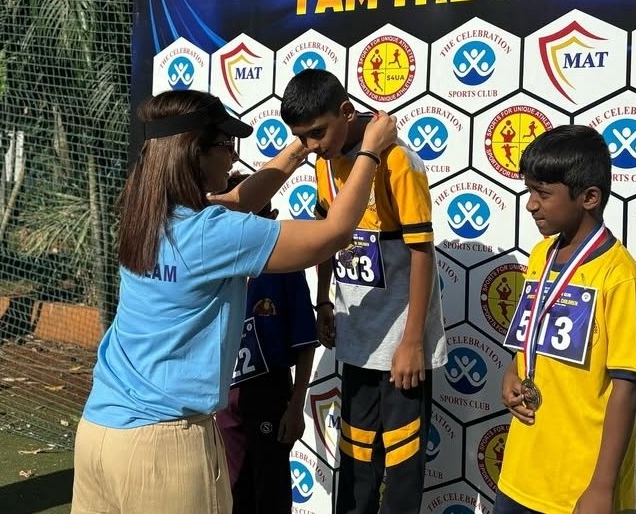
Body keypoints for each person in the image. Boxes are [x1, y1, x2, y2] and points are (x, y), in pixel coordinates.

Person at [71, 89, 397, 514]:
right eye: (226, 144)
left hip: (99, 432)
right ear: (195, 153)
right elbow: (333, 235)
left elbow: (242, 200)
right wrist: (370, 150)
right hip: (162, 448)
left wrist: (300, 147)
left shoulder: (143, 212)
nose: (234, 156)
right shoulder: (210, 234)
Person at [280, 70, 447, 514]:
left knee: (403, 459)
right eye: (302, 137)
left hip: (399, 345)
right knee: (354, 456)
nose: (312, 145)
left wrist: (412, 341)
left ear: (347, 113)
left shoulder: (397, 159)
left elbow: (421, 252)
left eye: (318, 132)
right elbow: (325, 238)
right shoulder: (323, 162)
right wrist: (324, 301)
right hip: (357, 338)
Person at [496, 125, 636, 514]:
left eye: (543, 193)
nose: (531, 205)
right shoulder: (540, 256)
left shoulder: (621, 278)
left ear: (589, 197)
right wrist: (513, 373)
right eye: (529, 191)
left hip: (580, 487)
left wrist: (601, 487)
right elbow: (531, 338)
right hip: (520, 473)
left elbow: (627, 387)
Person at [215, 172, 318, 514]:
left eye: (252, 220)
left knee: (270, 495)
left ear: (270, 219)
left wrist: (296, 405)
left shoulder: (285, 268)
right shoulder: (215, 264)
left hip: (269, 394)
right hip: (223, 396)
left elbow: (305, 342)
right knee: (232, 492)